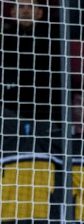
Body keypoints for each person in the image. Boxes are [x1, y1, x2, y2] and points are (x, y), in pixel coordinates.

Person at [1, 0, 63, 131]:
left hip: (45, 101)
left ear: (40, 12)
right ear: (12, 12)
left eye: (30, 6)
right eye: (21, 7)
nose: (25, 11)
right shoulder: (4, 38)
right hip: (10, 100)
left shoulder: (53, 38)